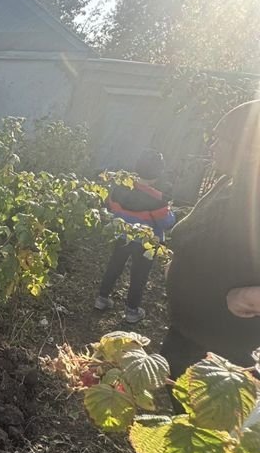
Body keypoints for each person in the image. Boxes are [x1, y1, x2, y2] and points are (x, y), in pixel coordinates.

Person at [161, 100, 260, 379]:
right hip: (187, 336)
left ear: (249, 148)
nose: (212, 146)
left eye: (220, 139)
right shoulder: (229, 183)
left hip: (223, 358)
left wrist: (250, 297)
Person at [94, 149, 175, 324]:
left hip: (122, 235)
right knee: (139, 275)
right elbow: (167, 223)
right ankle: (132, 311)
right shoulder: (158, 199)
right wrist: (171, 211)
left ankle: (101, 299)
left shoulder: (120, 189)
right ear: (157, 174)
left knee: (114, 266)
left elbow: (112, 208)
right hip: (146, 243)